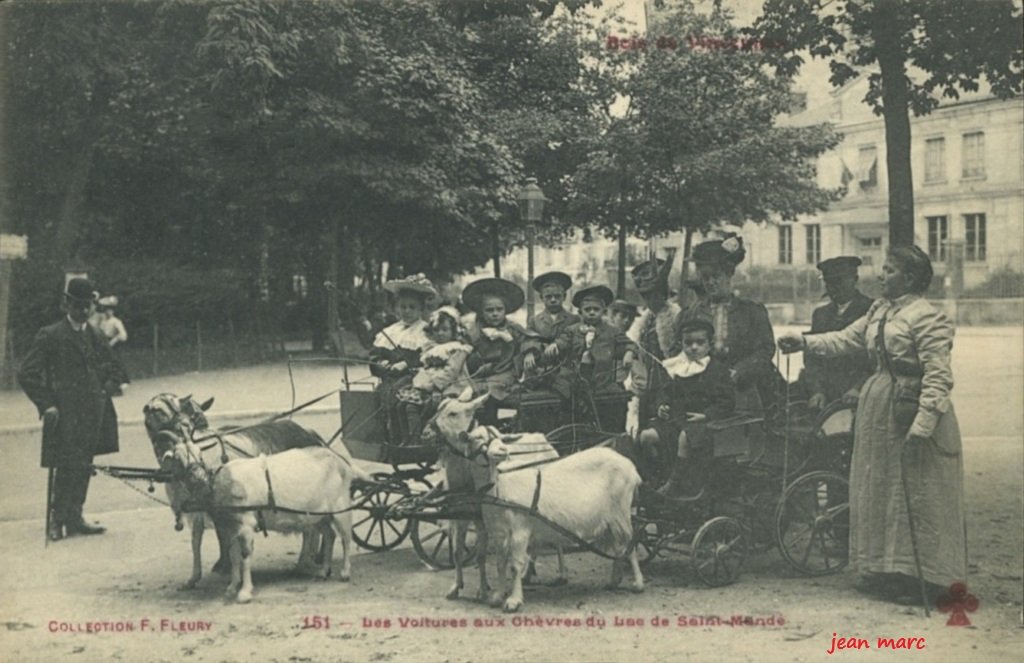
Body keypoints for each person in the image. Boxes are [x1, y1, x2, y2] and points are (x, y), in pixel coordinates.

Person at [779, 246, 966, 604]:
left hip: (910, 408)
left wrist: (923, 425)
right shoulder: (880, 311)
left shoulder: (927, 317)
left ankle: (925, 579)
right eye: (883, 268)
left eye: (890, 270)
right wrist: (803, 342)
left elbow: (939, 377)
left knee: (917, 491)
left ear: (910, 278)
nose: (881, 275)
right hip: (879, 406)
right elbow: (846, 340)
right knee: (882, 488)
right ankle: (887, 570)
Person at [18, 277, 128, 540]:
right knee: (66, 465)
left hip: (94, 413)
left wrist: (106, 387)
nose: (84, 310)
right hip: (65, 414)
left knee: (84, 465)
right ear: (66, 304)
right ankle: (57, 520)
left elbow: (116, 369)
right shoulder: (51, 335)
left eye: (88, 305)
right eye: (78, 305)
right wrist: (47, 405)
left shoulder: (97, 334)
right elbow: (27, 374)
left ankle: (75, 517)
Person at [682, 234, 784, 414]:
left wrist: (740, 371)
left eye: (716, 276)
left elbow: (765, 349)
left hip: (746, 392)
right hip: (705, 396)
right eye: (705, 278)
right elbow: (681, 348)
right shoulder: (693, 313)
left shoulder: (751, 312)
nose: (710, 282)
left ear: (729, 274)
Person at [638, 319, 735, 495]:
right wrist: (662, 405)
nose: (694, 347)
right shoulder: (678, 368)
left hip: (703, 424)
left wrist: (706, 415)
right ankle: (655, 477)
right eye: (688, 343)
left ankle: (674, 483)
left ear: (709, 345)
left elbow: (727, 402)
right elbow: (665, 393)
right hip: (677, 420)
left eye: (700, 342)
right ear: (681, 344)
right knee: (646, 436)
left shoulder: (717, 370)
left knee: (684, 437)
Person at [551, 285, 635, 431]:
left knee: (614, 405)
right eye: (587, 310)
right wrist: (555, 346)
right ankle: (573, 436)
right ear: (580, 312)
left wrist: (629, 353)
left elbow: (630, 344)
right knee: (566, 403)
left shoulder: (612, 331)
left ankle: (609, 434)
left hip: (601, 379)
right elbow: (563, 341)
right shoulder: (572, 330)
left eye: (596, 310)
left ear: (603, 312)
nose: (591, 313)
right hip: (574, 380)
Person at [801, 257, 874, 410]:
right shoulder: (820, 314)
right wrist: (816, 391)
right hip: (825, 397)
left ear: (854, 280)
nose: (833, 288)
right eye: (829, 283)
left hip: (860, 395)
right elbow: (812, 359)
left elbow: (876, 360)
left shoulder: (871, 310)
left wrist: (859, 388)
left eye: (839, 282)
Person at [369, 274, 436, 440]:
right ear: (397, 308)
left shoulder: (425, 331)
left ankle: (402, 437)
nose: (407, 311)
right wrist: (380, 363)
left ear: (421, 309)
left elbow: (428, 357)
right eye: (403, 306)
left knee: (395, 394)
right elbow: (375, 355)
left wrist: (406, 364)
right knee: (378, 395)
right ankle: (385, 434)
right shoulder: (391, 331)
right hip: (389, 378)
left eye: (412, 307)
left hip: (413, 379)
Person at [462, 278, 537, 425]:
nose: (495, 314)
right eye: (489, 310)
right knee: (467, 391)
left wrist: (529, 352)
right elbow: (465, 348)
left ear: (505, 311)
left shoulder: (513, 329)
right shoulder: (474, 331)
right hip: (481, 373)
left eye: (499, 310)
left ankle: (491, 426)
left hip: (506, 373)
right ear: (482, 312)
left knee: (489, 391)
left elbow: (529, 339)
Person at [396, 306, 473, 442]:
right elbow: (427, 368)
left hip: (450, 388)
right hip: (429, 387)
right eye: (436, 330)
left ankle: (420, 439)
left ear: (454, 331)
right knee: (403, 405)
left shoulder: (457, 349)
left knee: (416, 407)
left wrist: (434, 386)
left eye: (445, 329)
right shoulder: (431, 348)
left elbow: (451, 372)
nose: (440, 334)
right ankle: (409, 437)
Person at [628, 249, 684, 427]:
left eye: (655, 294)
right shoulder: (645, 320)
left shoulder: (676, 316)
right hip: (648, 385)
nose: (651, 300)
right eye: (646, 296)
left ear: (665, 293)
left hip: (669, 384)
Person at [525, 271, 580, 372]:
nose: (553, 300)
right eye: (548, 297)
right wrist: (529, 352)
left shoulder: (574, 319)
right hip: (541, 367)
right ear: (541, 298)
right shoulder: (535, 320)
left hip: (566, 367)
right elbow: (528, 339)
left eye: (557, 296)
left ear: (564, 296)